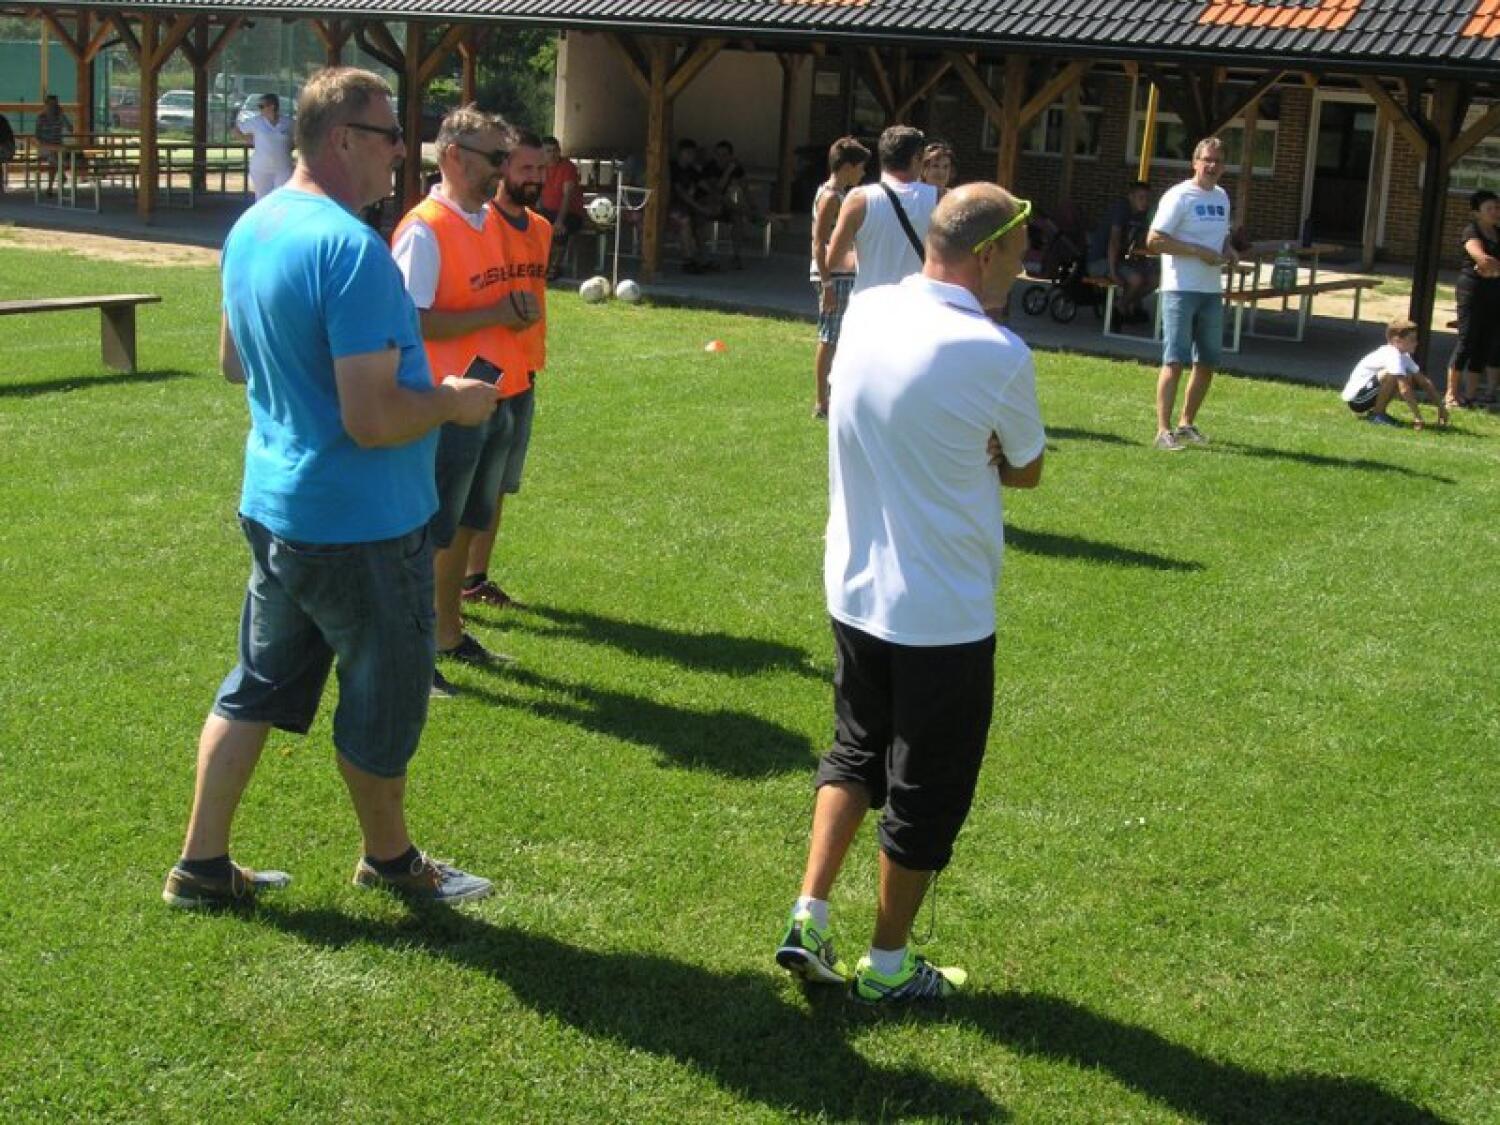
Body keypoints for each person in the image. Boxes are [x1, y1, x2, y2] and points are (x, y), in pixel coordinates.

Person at [161, 67, 499, 910]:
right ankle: (391, 860)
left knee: (255, 684)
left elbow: (234, 361)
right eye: (390, 136)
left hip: (277, 509)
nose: (402, 154)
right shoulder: (353, 251)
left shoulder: (254, 226)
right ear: (344, 139)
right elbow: (372, 418)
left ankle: (200, 865)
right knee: (384, 700)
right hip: (361, 525)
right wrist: (453, 401)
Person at [775, 183, 1045, 1004]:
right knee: (927, 789)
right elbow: (1026, 468)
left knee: (854, 749)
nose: (1024, 264)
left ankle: (808, 914)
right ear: (988, 254)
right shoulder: (998, 352)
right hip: (943, 610)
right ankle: (887, 965)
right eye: (1018, 250)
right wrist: (983, 445)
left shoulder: (869, 309)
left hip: (855, 588)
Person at [391, 111, 548, 695]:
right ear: (454, 157)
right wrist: (496, 313)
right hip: (444, 404)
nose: (502, 171)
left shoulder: (484, 222)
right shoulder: (425, 229)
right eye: (494, 159)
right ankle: (411, 655)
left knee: (463, 525)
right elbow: (408, 322)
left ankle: (447, 634)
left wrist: (512, 314)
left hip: (492, 396)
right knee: (430, 533)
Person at [462, 129, 552, 613]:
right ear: (503, 169)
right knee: (466, 486)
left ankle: (474, 580)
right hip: (482, 372)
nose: (535, 178)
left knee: (498, 485)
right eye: (525, 168)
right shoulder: (479, 223)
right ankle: (445, 589)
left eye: (541, 169)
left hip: (524, 372)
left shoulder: (541, 228)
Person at [1145, 137, 1238, 452]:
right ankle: (1163, 431)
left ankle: (1186, 425)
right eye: (1207, 160)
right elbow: (1154, 240)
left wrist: (1228, 250)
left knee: (1207, 361)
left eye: (1218, 161)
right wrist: (1197, 251)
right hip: (1180, 289)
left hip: (1211, 290)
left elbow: (1221, 238)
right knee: (1174, 361)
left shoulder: (1222, 197)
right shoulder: (1179, 195)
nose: (1212, 166)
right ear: (1195, 162)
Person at [825, 125, 938, 298]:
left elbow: (833, 261)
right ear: (917, 158)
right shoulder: (941, 198)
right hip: (917, 304)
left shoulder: (858, 199)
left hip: (869, 304)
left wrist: (869, 258)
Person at [809, 136, 870, 420]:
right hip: (834, 276)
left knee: (841, 336)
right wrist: (827, 284)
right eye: (860, 167)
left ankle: (835, 395)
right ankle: (822, 402)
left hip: (844, 273)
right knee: (830, 336)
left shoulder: (839, 194)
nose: (863, 173)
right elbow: (819, 242)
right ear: (847, 167)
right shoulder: (831, 196)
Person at [1444, 189, 1500, 409]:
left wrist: (1493, 268)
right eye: (1490, 208)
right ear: (1477, 212)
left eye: (1497, 207)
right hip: (1472, 291)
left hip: (1495, 293)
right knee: (1467, 340)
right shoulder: (1471, 231)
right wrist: (1487, 264)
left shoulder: (1498, 232)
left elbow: (1490, 265)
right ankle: (1451, 394)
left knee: (1485, 342)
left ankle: (1469, 395)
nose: (1495, 211)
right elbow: (1482, 259)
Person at [1343, 318, 1448, 430]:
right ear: (1396, 340)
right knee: (1392, 375)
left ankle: (1379, 413)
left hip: (1366, 397)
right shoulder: (1392, 355)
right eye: (1412, 340)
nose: (1416, 343)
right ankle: (1377, 415)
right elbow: (1404, 389)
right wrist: (1418, 417)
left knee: (1406, 375)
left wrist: (1441, 408)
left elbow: (1424, 382)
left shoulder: (1403, 356)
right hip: (1357, 400)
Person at [1089, 180, 1158, 325]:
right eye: (1141, 198)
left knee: (1154, 279)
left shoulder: (1142, 215)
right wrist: (1113, 272)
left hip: (1120, 261)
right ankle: (1119, 309)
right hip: (1099, 260)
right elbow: (1113, 242)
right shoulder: (1121, 209)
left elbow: (1140, 243)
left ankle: (1123, 304)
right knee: (1136, 279)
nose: (1145, 202)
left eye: (1147, 198)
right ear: (1131, 197)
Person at [538, 135, 584, 279]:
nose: (552, 154)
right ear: (542, 153)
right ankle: (539, 265)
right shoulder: (540, 168)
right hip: (548, 211)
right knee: (534, 227)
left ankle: (554, 267)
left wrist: (559, 221)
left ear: (559, 151)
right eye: (548, 151)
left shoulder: (568, 167)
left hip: (571, 213)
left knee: (560, 229)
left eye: (555, 150)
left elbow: (567, 196)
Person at [702, 139, 753, 269]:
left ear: (731, 156)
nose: (721, 158)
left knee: (737, 216)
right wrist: (728, 172)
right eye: (718, 155)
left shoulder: (736, 168)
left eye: (724, 155)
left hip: (726, 205)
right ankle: (750, 214)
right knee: (724, 198)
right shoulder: (710, 167)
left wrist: (752, 203)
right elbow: (717, 189)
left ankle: (736, 256)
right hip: (709, 204)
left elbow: (745, 187)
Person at [668, 138, 716, 274]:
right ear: (680, 153)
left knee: (700, 222)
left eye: (692, 153)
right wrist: (700, 208)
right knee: (685, 221)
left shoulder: (692, 170)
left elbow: (706, 187)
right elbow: (682, 194)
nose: (691, 156)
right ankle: (688, 260)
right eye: (687, 153)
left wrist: (714, 201)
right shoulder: (672, 168)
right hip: (671, 206)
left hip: (688, 207)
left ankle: (704, 260)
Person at [237, 93, 295, 200]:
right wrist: (249, 140)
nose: (260, 109)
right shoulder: (256, 121)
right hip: (260, 168)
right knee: (262, 199)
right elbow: (237, 129)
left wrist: (290, 147)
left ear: (272, 106)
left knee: (283, 198)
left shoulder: (288, 123)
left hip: (283, 168)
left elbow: (299, 137)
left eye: (261, 106)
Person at [35, 94, 72, 193]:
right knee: (54, 156)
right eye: (51, 104)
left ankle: (50, 187)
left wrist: (63, 116)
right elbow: (37, 135)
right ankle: (61, 175)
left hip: (58, 145)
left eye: (55, 104)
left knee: (54, 159)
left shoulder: (60, 116)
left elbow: (70, 129)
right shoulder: (41, 117)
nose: (53, 106)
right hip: (45, 146)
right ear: (46, 105)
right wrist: (45, 143)